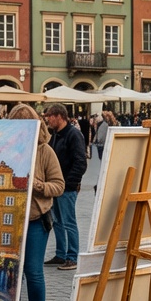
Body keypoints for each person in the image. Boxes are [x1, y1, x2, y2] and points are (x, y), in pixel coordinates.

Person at [8, 104, 64, 301]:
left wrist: (38, 185)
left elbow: (59, 185)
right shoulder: (5, 149)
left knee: (33, 272)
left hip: (35, 220)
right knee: (12, 273)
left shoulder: (44, 151)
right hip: (10, 220)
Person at [43, 103, 86, 272]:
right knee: (57, 222)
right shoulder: (55, 135)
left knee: (69, 222)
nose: (48, 120)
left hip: (66, 187)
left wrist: (69, 183)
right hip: (56, 186)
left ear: (59, 116)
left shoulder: (73, 134)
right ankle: (60, 254)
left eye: (50, 117)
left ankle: (72, 257)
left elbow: (80, 162)